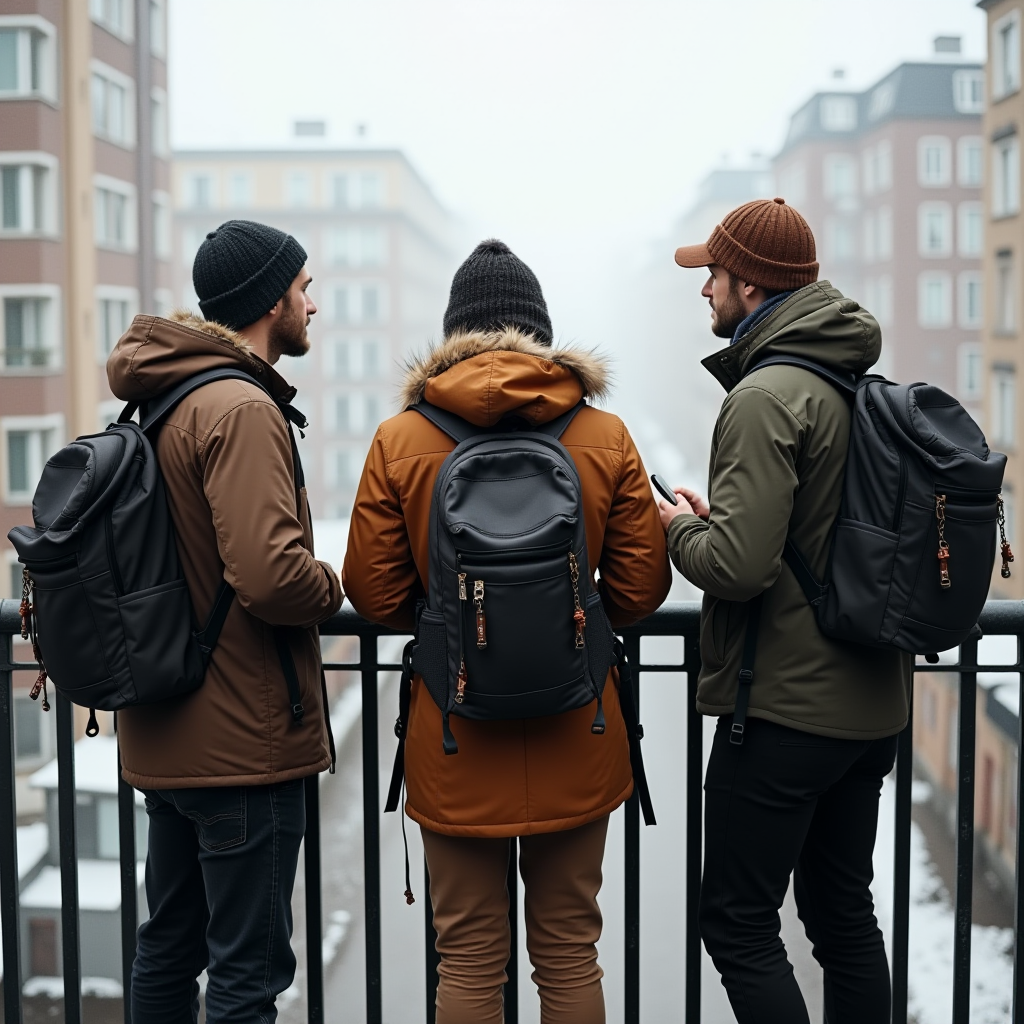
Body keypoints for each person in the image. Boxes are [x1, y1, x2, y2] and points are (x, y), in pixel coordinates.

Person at [343, 239, 671, 1024]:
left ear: (453, 331)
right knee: (567, 954)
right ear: (541, 331)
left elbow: (375, 593)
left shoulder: (401, 441)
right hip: (579, 728)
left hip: (454, 737)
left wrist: (452, 618)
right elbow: (639, 588)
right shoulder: (606, 436)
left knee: (467, 961)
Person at [661, 198, 911, 1024]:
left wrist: (678, 531)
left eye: (712, 275)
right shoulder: (848, 378)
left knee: (736, 923)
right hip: (872, 707)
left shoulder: (768, 394)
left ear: (750, 283)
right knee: (843, 917)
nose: (704, 291)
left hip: (783, 717)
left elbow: (736, 567)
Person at [107, 220, 344, 1024]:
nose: (314, 303)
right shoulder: (239, 406)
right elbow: (272, 576)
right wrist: (332, 584)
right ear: (271, 300)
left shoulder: (166, 398)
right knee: (246, 975)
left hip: (170, 730)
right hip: (244, 744)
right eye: (304, 288)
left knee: (168, 949)